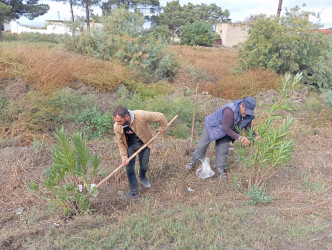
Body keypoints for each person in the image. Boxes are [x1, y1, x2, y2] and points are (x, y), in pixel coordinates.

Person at [186, 96, 258, 180]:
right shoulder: (230, 110)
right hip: (212, 126)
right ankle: (193, 161)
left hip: (226, 130)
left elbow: (248, 127)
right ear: (242, 105)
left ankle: (221, 170)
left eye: (249, 112)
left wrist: (255, 136)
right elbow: (225, 128)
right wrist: (239, 137)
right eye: (246, 111)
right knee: (202, 145)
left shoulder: (248, 115)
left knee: (223, 149)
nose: (246, 114)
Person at [113, 106, 168, 200]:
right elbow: (121, 142)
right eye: (116, 121)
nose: (117, 123)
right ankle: (134, 193)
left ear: (126, 117)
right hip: (130, 145)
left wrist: (164, 128)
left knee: (144, 166)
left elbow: (160, 116)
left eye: (119, 121)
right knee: (129, 169)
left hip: (145, 143)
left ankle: (142, 178)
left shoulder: (140, 115)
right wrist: (123, 156)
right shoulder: (117, 126)